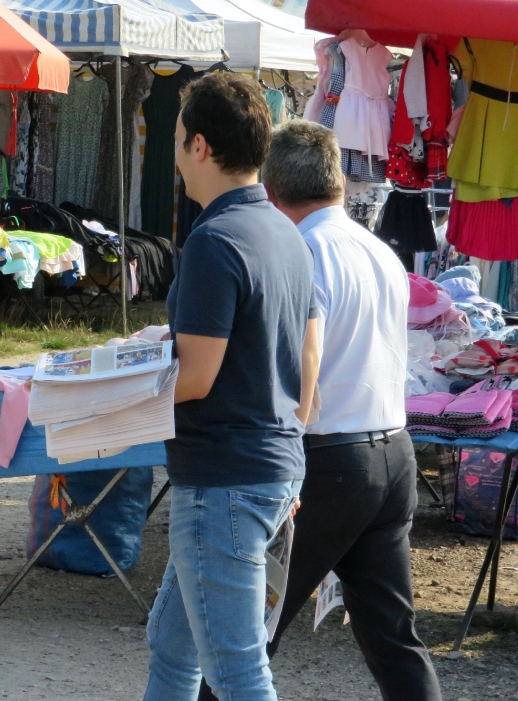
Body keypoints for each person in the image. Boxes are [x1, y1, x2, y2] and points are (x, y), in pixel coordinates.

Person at [198, 120, 443, 701]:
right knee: (392, 635)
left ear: (271, 191)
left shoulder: (303, 252)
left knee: (246, 633)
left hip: (330, 455)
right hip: (391, 451)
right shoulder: (379, 251)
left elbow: (296, 369)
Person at [143, 73, 319, 701]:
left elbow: (197, 376)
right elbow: (308, 363)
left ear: (199, 146)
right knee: (173, 647)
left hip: (224, 478)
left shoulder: (214, 240)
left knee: (238, 671)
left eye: (175, 139)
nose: (173, 155)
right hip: (270, 466)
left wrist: (114, 392)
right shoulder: (286, 232)